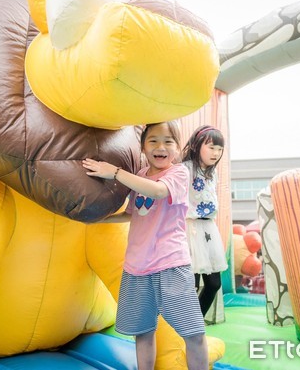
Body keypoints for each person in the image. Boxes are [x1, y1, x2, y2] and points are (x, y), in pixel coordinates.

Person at [82, 121, 208, 370]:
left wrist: (115, 172)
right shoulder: (139, 176)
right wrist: (98, 218)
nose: (160, 147)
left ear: (177, 147)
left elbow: (159, 192)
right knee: (143, 331)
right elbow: (133, 212)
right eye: (153, 141)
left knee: (193, 332)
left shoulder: (178, 173)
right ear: (142, 146)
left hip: (171, 264)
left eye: (168, 141)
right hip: (137, 267)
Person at [180, 125, 227, 317]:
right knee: (191, 285)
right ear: (198, 145)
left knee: (214, 284)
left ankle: (195, 327)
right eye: (211, 147)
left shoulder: (212, 172)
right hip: (189, 228)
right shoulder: (185, 169)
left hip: (208, 229)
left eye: (220, 149)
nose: (216, 153)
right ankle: (187, 332)